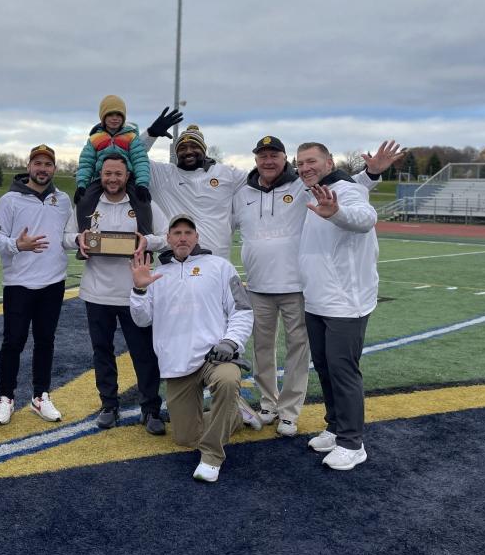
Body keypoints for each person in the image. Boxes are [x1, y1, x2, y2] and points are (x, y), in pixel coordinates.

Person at [232, 136, 402, 436]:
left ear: (285, 159)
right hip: (258, 285)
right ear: (255, 160)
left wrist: (372, 173)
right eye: (262, 156)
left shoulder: (303, 185)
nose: (268, 161)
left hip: (298, 285)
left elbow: (344, 188)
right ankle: (268, 404)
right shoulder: (242, 192)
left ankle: (289, 412)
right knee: (262, 349)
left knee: (298, 351)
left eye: (275, 155)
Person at [129, 214, 256, 483]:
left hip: (215, 356)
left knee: (228, 380)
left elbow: (242, 310)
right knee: (185, 438)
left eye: (188, 232)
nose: (182, 237)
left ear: (197, 237)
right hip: (177, 362)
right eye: (176, 233)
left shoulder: (219, 266)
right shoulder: (156, 274)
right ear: (168, 239)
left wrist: (230, 342)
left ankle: (212, 457)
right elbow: (142, 319)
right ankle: (235, 414)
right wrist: (139, 290)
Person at [64, 154, 168, 435]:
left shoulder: (142, 202)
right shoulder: (87, 203)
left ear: (127, 175)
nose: (112, 179)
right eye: (107, 173)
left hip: (135, 292)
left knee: (144, 353)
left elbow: (166, 236)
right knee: (102, 352)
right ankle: (109, 405)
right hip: (97, 292)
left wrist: (148, 241)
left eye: (118, 174)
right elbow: (67, 236)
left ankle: (150, 408)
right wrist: (78, 240)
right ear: (100, 174)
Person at [297, 142, 379, 471]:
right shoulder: (316, 190)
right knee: (326, 368)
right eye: (300, 163)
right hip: (317, 299)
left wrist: (338, 214)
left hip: (346, 301)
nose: (304, 167)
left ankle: (352, 442)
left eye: (311, 161)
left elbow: (365, 218)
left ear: (329, 162)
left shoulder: (346, 190)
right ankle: (335, 427)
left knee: (343, 371)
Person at [0, 144, 73, 425]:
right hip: (19, 283)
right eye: (37, 163)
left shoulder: (62, 200)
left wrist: (83, 243)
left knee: (45, 341)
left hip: (53, 281)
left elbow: (67, 236)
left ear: (54, 169)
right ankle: (5, 398)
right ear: (28, 167)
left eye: (47, 164)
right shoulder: (10, 200)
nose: (42, 169)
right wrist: (17, 245)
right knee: (13, 341)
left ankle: (41, 396)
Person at [141, 110, 247, 260]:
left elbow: (262, 178)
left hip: (216, 265)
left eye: (194, 146)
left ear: (204, 150)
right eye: (182, 148)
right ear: (176, 153)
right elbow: (129, 157)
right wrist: (151, 134)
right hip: (174, 264)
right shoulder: (163, 174)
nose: (188, 151)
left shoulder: (226, 174)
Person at [74, 95, 153, 236]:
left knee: (143, 203)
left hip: (126, 179)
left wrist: (142, 184)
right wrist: (82, 184)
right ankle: (85, 237)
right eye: (110, 114)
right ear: (103, 117)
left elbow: (140, 160)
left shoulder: (131, 138)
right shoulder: (95, 139)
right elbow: (86, 163)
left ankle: (145, 238)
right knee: (84, 201)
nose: (115, 118)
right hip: (101, 179)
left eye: (118, 115)